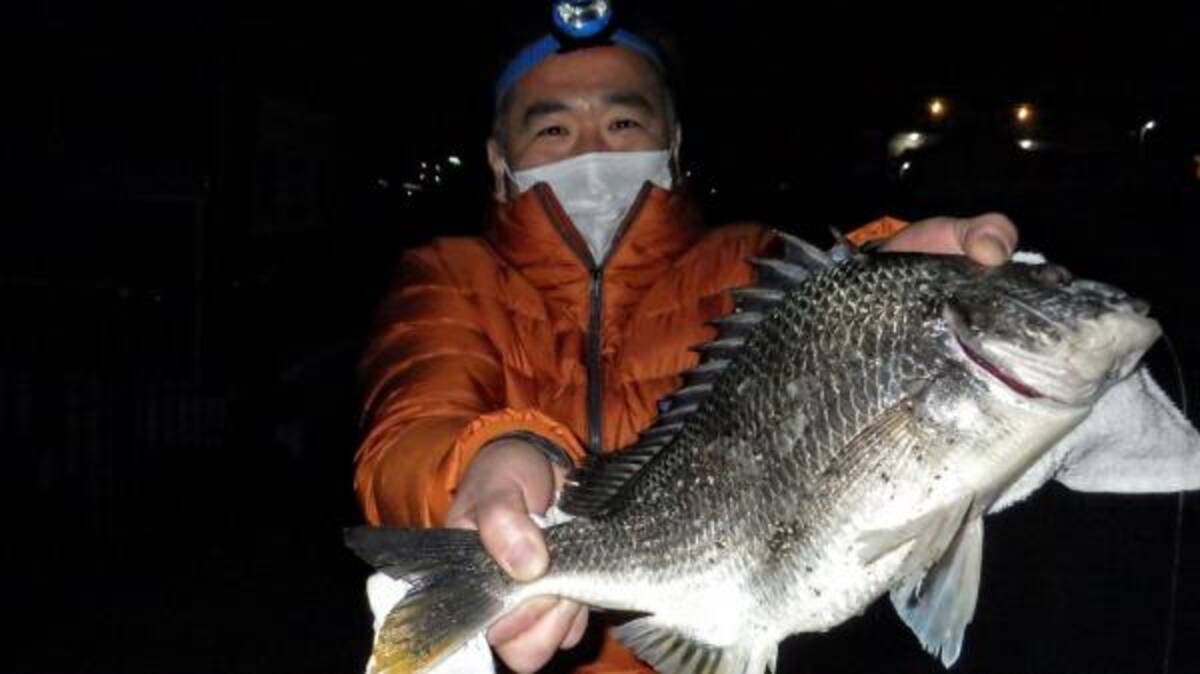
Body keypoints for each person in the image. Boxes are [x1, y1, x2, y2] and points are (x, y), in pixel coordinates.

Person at [351, 22, 1018, 674]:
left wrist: (892, 285)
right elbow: (409, 427)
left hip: (713, 624)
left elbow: (826, 294)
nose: (594, 151)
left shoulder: (750, 263)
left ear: (671, 143)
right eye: (553, 129)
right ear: (499, 159)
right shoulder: (446, 274)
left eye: (623, 125)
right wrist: (492, 454)